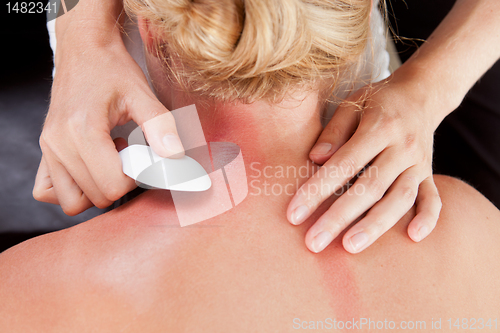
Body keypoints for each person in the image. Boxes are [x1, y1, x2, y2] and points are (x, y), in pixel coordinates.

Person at [2, 1, 499, 329]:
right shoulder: (479, 233)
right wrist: (84, 41)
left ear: (149, 28)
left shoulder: (25, 293)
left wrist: (432, 86)